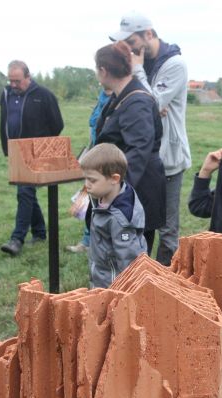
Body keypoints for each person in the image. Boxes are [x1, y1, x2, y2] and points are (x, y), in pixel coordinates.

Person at [110, 11, 190, 266]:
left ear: (149, 34)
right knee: (142, 223)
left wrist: (140, 78)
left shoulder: (175, 64)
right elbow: (147, 102)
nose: (129, 49)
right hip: (143, 157)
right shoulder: (140, 63)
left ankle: (167, 282)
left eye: (131, 42)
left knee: (167, 229)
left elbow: (151, 102)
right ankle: (142, 277)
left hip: (169, 159)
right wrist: (150, 100)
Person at [93, 41, 166, 256]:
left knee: (133, 262)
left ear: (104, 70)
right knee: (117, 260)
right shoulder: (121, 97)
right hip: (127, 187)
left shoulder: (136, 101)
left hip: (138, 191)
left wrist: (114, 191)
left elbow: (138, 151)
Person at [0, 60, 64, 256]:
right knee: (27, 192)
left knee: (24, 192)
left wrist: (41, 146)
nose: (13, 85)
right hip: (15, 151)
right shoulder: (6, 94)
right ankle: (40, 231)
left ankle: (17, 239)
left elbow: (57, 125)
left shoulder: (44, 96)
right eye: (10, 80)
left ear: (28, 77)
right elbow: (4, 121)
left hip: (35, 153)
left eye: (17, 81)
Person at [80, 143, 146, 288]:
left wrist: (123, 293)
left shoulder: (120, 219)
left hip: (114, 286)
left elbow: (129, 263)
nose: (87, 185)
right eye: (85, 179)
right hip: (101, 276)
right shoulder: (101, 196)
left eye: (92, 180)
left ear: (114, 179)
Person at [67, 87, 112, 254]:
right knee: (91, 200)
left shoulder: (121, 97)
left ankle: (101, 243)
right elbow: (94, 126)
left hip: (108, 157)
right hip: (95, 153)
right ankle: (88, 240)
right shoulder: (102, 97)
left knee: (102, 202)